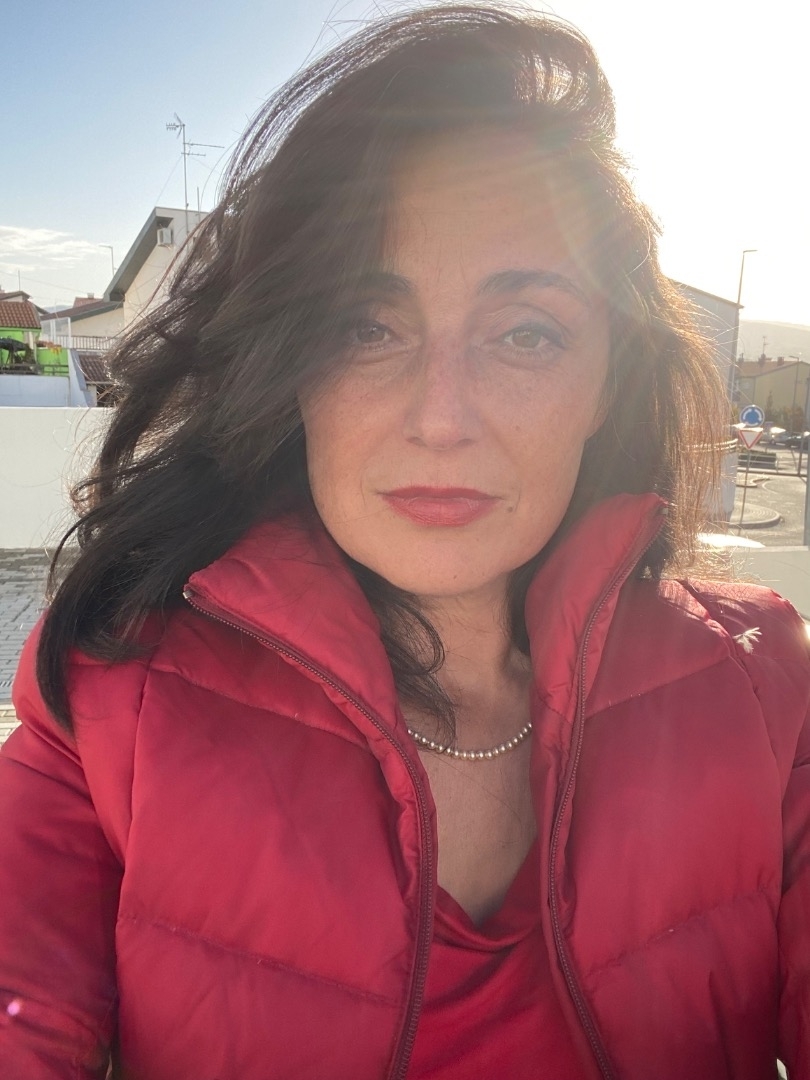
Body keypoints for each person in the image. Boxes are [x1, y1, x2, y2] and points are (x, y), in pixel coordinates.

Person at [1, 6, 808, 1079]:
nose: (440, 417)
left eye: (526, 333)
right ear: (290, 370)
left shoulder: (758, 682)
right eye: (364, 328)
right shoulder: (111, 698)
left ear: (606, 385)